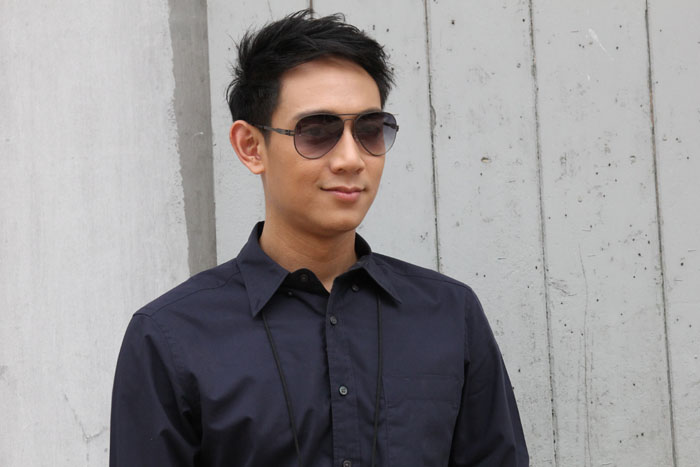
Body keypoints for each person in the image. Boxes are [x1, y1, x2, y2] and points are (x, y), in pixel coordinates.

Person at [110, 9, 528, 467]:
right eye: (317, 132)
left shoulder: (449, 314)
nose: (351, 159)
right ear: (251, 147)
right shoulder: (170, 335)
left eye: (369, 130)